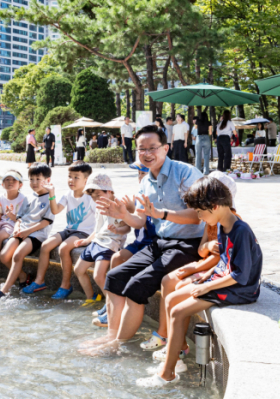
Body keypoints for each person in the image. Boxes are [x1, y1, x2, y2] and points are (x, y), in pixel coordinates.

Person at [80, 124, 204, 355]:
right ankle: (111, 335)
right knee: (115, 277)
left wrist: (162, 214)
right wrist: (123, 215)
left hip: (188, 244)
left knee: (137, 285)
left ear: (166, 148)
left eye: (152, 148)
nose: (146, 154)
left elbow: (199, 215)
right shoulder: (146, 182)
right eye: (141, 149)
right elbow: (139, 220)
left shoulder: (185, 173)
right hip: (160, 242)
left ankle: (118, 344)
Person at [138, 176, 262, 387]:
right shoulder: (223, 224)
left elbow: (240, 275)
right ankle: (175, 358)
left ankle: (167, 374)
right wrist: (204, 275)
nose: (200, 218)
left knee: (178, 311)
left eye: (200, 212)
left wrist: (206, 285)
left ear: (213, 206)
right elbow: (225, 260)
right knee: (172, 298)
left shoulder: (241, 231)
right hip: (222, 280)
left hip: (239, 290)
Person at [140, 171, 238, 353]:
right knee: (167, 280)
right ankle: (165, 335)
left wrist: (192, 269)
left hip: (213, 269)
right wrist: (208, 245)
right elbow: (202, 250)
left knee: (178, 286)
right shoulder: (210, 221)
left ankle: (178, 344)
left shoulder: (228, 224)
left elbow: (221, 261)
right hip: (205, 263)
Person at [91, 161, 156, 326]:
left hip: (149, 242)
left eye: (143, 173)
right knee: (117, 259)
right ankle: (110, 307)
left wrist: (130, 210)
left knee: (119, 262)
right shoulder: (140, 193)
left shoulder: (154, 194)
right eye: (139, 174)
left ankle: (115, 310)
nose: (140, 177)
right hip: (140, 241)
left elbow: (142, 221)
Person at [22, 161, 96, 299]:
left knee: (63, 248)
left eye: (76, 177)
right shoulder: (68, 195)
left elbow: (99, 221)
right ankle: (39, 281)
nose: (71, 180)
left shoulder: (90, 197)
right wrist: (52, 193)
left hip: (83, 232)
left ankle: (65, 285)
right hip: (69, 230)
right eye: (69, 176)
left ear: (86, 180)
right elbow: (55, 211)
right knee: (45, 245)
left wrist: (90, 239)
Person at [0, 163, 54, 300]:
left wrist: (27, 231)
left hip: (36, 234)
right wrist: (17, 227)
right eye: (31, 179)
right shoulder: (28, 197)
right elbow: (19, 218)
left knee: (17, 255)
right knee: (4, 256)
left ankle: (3, 291)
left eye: (38, 179)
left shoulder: (50, 199)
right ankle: (23, 276)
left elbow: (46, 222)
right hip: (21, 231)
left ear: (47, 180)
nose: (34, 183)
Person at [72, 172, 130, 312]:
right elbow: (98, 229)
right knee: (78, 269)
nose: (95, 198)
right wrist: (87, 240)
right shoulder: (99, 206)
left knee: (99, 276)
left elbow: (128, 227)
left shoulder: (118, 206)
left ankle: (111, 305)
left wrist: (117, 230)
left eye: (98, 194)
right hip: (96, 242)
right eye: (92, 196)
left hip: (110, 244)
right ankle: (91, 297)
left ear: (109, 191)